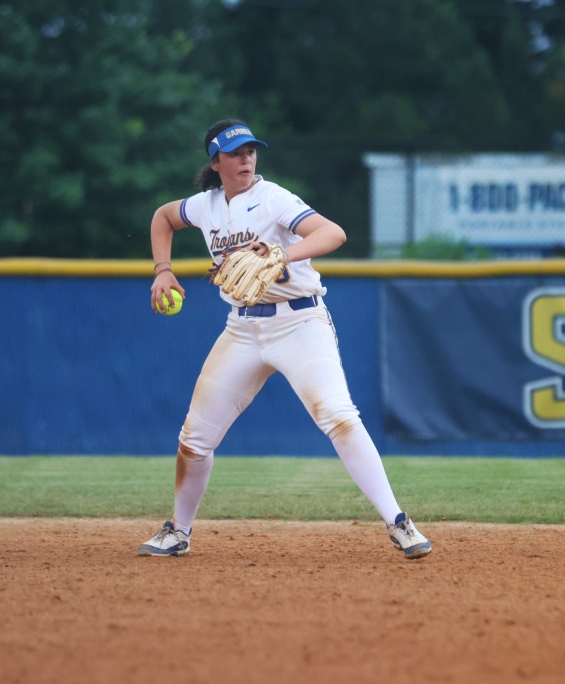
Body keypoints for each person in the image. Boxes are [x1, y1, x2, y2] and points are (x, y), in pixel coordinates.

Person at [137, 119, 432, 559]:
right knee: (194, 438)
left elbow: (333, 233)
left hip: (299, 323)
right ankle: (178, 532)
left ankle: (399, 522)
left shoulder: (273, 198)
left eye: (250, 151)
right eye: (235, 154)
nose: (246, 160)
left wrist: (282, 254)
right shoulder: (205, 207)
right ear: (215, 163)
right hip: (242, 329)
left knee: (338, 415)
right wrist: (163, 269)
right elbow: (163, 217)